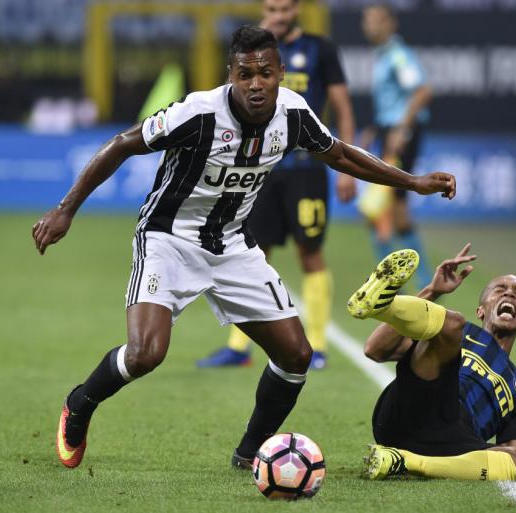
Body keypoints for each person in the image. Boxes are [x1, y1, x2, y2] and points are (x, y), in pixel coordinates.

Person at [32, 25, 456, 470]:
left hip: (232, 244)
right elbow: (123, 144)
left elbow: (341, 155)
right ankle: (79, 404)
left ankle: (251, 451)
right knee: (145, 354)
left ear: (280, 73)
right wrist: (65, 210)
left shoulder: (293, 114)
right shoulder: (198, 113)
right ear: (230, 75)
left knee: (296, 355)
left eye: (265, 73)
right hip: (168, 239)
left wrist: (412, 182)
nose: (256, 84)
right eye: (245, 74)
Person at [346, 245, 516, 481]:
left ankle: (401, 461)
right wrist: (432, 291)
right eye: (499, 289)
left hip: (455, 441)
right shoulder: (462, 332)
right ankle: (383, 306)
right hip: (409, 407)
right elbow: (375, 349)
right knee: (451, 324)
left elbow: (512, 452)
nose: (509, 293)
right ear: (481, 310)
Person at [197, 0, 356, 371]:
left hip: (306, 169)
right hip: (259, 168)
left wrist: (347, 171)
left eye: (284, 9)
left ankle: (317, 345)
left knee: (310, 252)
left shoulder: (320, 49)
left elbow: (343, 107)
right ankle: (239, 347)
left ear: (296, 10)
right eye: (272, 8)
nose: (279, 15)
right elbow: (227, 100)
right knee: (251, 253)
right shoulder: (250, 52)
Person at [359, 3, 433, 289]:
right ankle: (420, 280)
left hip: (401, 135)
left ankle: (393, 282)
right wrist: (375, 129)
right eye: (367, 20)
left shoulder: (398, 56)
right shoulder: (383, 55)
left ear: (391, 23)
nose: (370, 26)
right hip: (389, 131)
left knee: (377, 207)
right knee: (394, 208)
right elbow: (393, 101)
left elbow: (422, 92)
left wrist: (401, 128)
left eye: (376, 20)